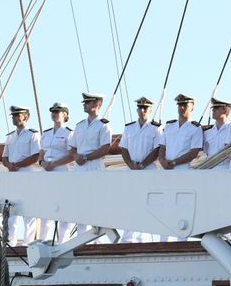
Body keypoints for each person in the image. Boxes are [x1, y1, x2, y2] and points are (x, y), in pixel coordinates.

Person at [67, 92, 113, 237]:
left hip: (94, 166)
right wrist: (76, 156)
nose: (84, 105)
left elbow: (105, 148)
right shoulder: (79, 126)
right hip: (79, 168)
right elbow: (72, 146)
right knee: (79, 201)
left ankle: (97, 238)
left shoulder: (103, 125)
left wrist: (85, 157)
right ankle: (82, 236)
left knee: (95, 202)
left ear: (96, 105)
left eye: (87, 102)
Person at [119, 97, 162, 243]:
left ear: (150, 110)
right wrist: (131, 165)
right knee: (129, 203)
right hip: (131, 169)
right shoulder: (129, 128)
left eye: (145, 108)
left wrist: (142, 165)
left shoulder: (156, 128)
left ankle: (142, 237)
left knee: (146, 203)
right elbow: (123, 148)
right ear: (137, 110)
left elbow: (157, 150)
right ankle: (128, 237)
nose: (142, 110)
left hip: (147, 169)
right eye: (140, 108)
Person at [1, 105, 42, 245]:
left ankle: (28, 243)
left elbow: (35, 156)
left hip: (26, 174)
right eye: (13, 115)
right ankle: (10, 242)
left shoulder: (32, 134)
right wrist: (9, 165)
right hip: (12, 175)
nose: (14, 117)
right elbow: (4, 157)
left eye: (17, 115)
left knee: (28, 210)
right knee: (11, 209)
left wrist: (17, 165)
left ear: (25, 117)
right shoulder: (10, 136)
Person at [39, 101, 75, 243]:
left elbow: (71, 155)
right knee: (45, 206)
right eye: (53, 111)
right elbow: (41, 152)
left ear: (64, 115)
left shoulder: (69, 134)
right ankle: (44, 240)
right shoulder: (46, 134)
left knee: (62, 206)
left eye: (57, 111)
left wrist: (54, 164)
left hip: (60, 170)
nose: (54, 114)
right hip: (46, 170)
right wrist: (42, 163)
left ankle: (63, 241)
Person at [158, 94, 203, 170]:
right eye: (179, 105)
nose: (181, 107)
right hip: (166, 168)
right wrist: (162, 161)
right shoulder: (169, 126)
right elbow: (162, 147)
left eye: (185, 105)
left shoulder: (196, 128)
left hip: (182, 169)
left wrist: (174, 162)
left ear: (192, 108)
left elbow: (194, 153)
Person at [204, 98, 231, 162]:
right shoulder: (207, 132)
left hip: (227, 169)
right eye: (213, 108)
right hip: (210, 169)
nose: (213, 110)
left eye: (216, 108)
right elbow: (207, 152)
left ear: (225, 111)